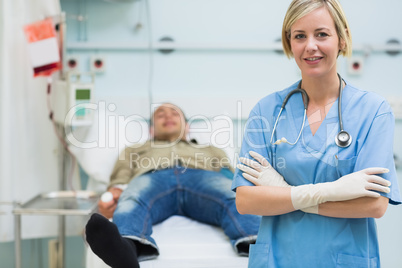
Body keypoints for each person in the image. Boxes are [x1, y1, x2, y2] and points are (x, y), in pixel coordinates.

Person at [232, 0, 401, 267]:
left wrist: (284, 193)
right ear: (290, 43)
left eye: (321, 34)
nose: (311, 46)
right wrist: (333, 191)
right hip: (277, 259)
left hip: (344, 260)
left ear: (342, 39)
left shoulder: (373, 111)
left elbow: (374, 205)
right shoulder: (267, 111)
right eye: (300, 36)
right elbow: (246, 200)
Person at [85, 103, 260, 268]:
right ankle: (127, 249)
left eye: (174, 113)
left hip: (201, 177)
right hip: (153, 177)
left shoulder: (212, 149)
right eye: (160, 114)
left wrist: (244, 190)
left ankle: (257, 242)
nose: (167, 116)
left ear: (187, 126)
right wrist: (113, 195)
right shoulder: (134, 149)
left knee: (234, 199)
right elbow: (119, 179)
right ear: (152, 129)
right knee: (132, 200)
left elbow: (229, 176)